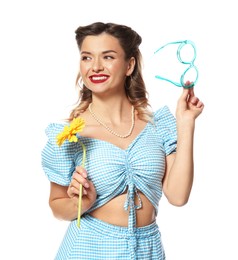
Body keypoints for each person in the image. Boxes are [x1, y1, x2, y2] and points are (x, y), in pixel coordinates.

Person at [41, 22, 204, 260]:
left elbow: (178, 196)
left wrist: (186, 122)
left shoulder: (158, 126)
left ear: (129, 65)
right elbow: (57, 205)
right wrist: (82, 204)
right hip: (88, 249)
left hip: (148, 250)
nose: (95, 66)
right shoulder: (72, 135)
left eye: (107, 57)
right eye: (86, 57)